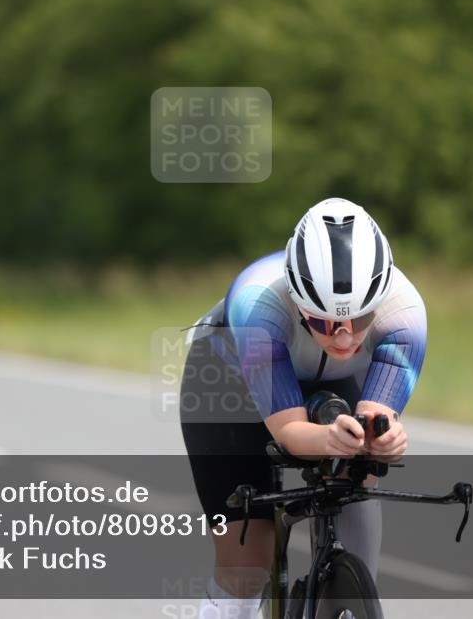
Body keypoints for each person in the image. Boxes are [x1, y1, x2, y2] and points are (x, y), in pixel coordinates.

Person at [179, 198, 427, 619]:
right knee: (248, 563)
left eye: (361, 320)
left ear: (380, 300)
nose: (346, 339)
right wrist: (330, 438)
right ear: (297, 302)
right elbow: (289, 432)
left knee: (358, 474)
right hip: (227, 384)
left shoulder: (405, 314)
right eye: (325, 323)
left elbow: (375, 415)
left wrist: (383, 438)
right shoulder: (258, 303)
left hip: (328, 381)